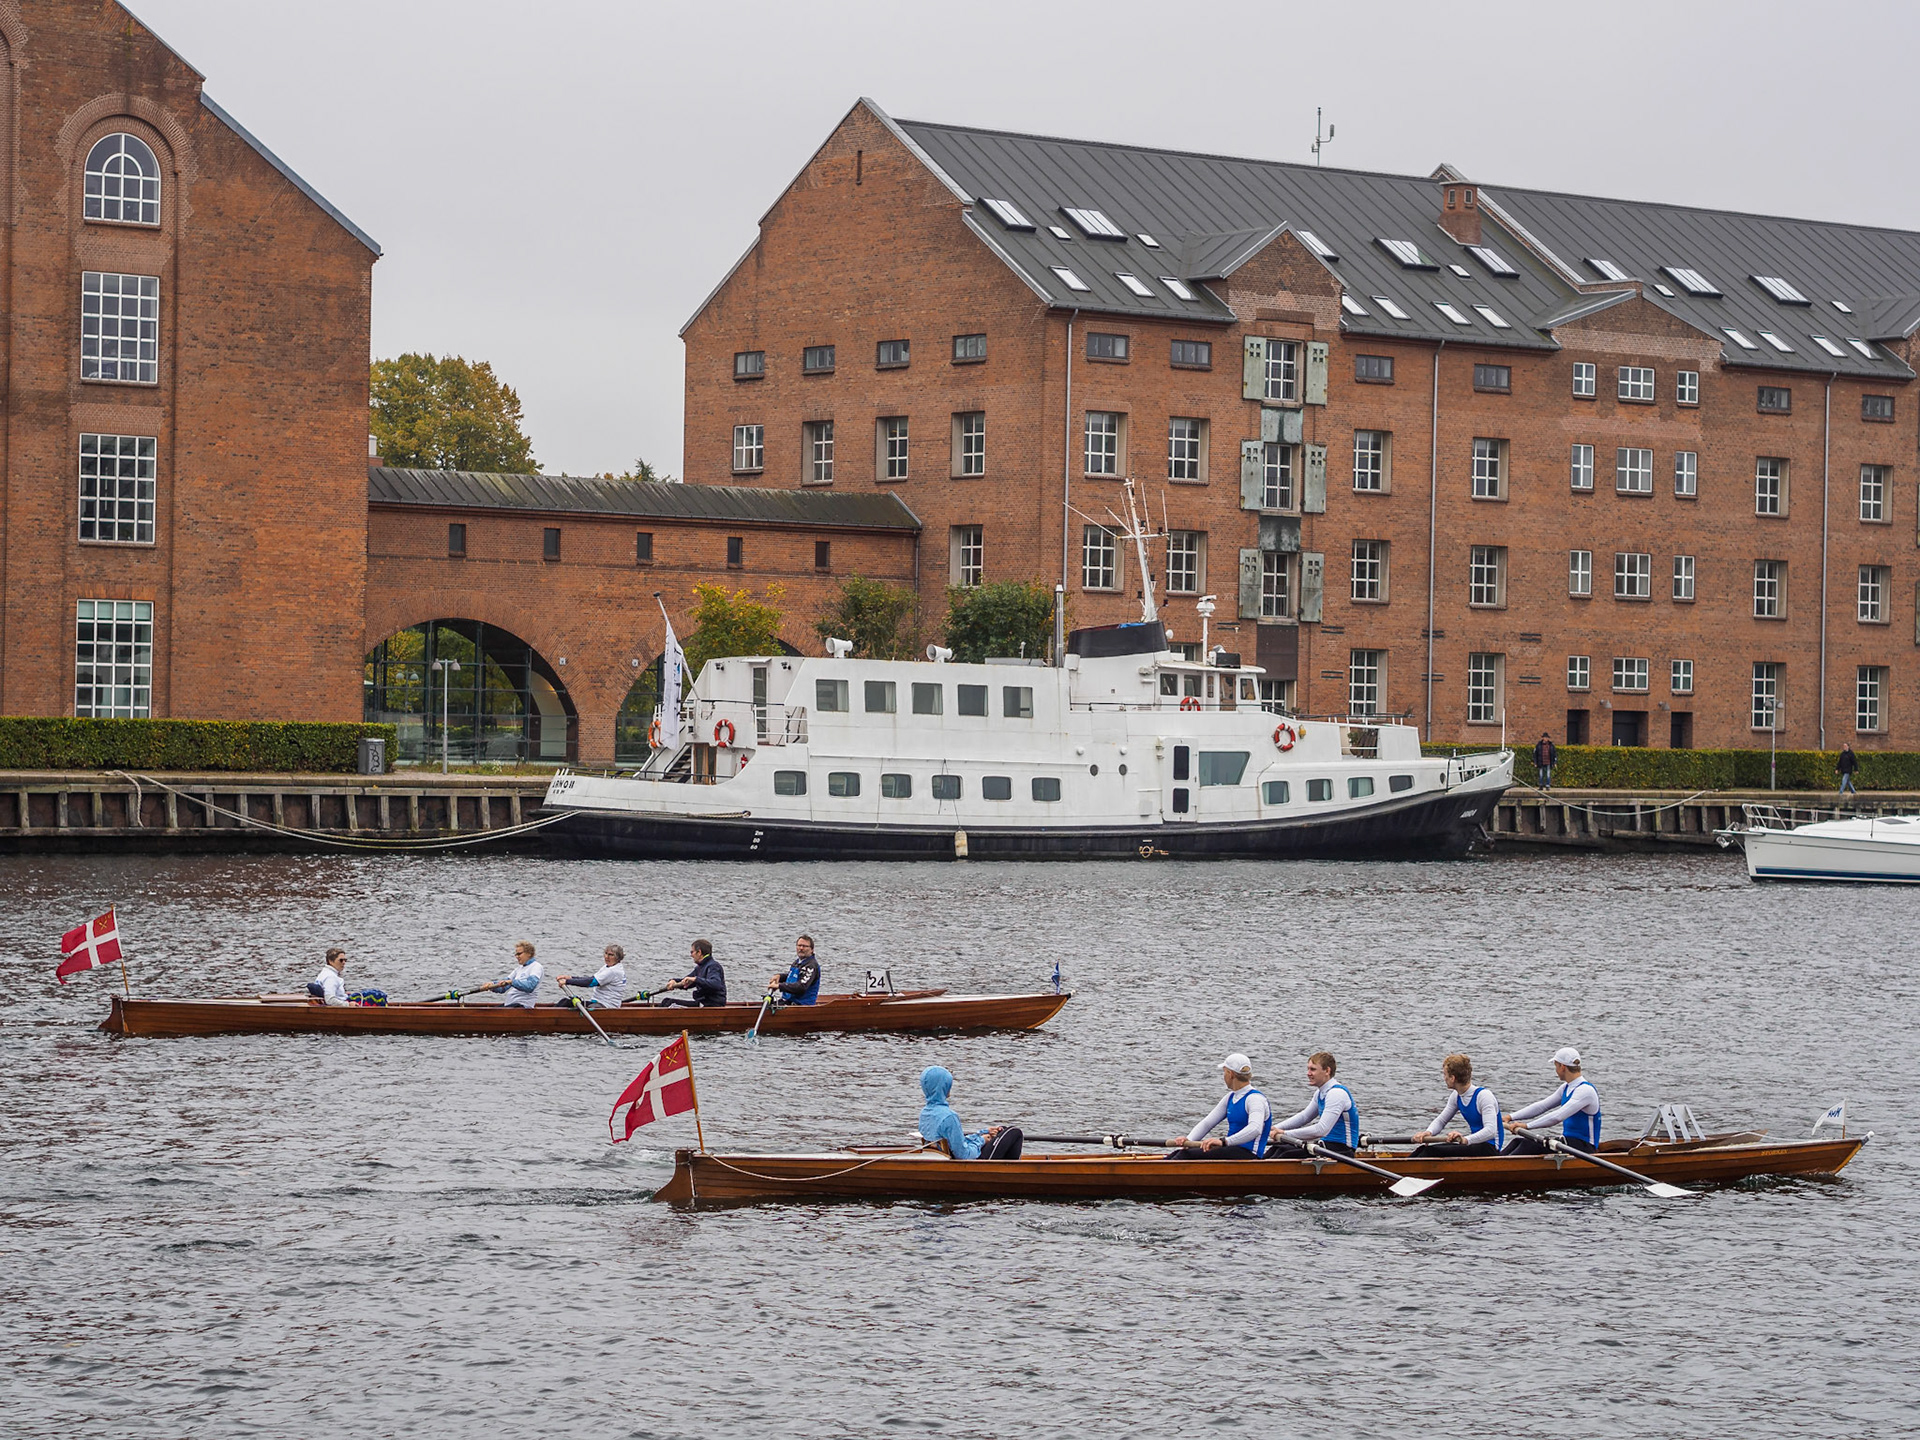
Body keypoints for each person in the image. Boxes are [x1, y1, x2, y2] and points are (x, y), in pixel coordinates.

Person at [1164, 1053, 1270, 1159]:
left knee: (1185, 1156)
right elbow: (1207, 1123)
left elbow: (1255, 1129)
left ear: (1230, 1074)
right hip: (1231, 1149)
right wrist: (1187, 1141)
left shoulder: (1255, 1099)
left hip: (1249, 1154)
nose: (1224, 1076)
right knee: (1179, 1153)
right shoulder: (1230, 1097)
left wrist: (1224, 1142)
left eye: (1224, 1072)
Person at [1504, 1047, 1601, 1154]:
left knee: (1527, 1145)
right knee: (1517, 1141)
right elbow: (1542, 1106)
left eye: (1556, 1066)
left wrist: (1527, 1126)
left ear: (1562, 1067)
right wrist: (1510, 1117)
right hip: (1569, 1143)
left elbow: (1557, 1116)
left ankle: (1498, 1168)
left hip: (1584, 1148)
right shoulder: (1566, 1087)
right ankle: (1491, 1165)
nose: (1556, 1070)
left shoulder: (1585, 1091)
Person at [917, 1065, 1022, 1160]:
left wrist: (982, 1133)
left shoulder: (925, 1113)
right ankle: (1011, 1174)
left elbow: (956, 1142)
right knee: (1014, 1132)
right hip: (973, 1163)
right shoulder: (949, 1116)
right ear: (944, 1086)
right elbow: (963, 1155)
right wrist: (981, 1141)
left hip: (946, 1157)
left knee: (1001, 1131)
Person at [1267, 1051, 1359, 1157]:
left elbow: (1321, 1130)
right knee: (1278, 1148)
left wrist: (1285, 1133)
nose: (1308, 1073)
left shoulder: (1336, 1094)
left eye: (1313, 1069)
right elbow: (1304, 1117)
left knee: (1285, 1154)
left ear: (1327, 1071)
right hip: (1327, 1146)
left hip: (1343, 1151)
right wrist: (1273, 1128)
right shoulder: (1320, 1093)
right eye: (1308, 1069)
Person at [1411, 1053, 1503, 1157]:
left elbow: (1490, 1131)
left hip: (1490, 1148)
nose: (1444, 1078)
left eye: (1445, 1074)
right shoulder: (1456, 1096)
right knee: (1422, 1149)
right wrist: (1428, 1132)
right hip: (1474, 1144)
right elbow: (1441, 1120)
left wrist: (1466, 1139)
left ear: (1452, 1078)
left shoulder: (1484, 1096)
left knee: (1431, 1152)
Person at [654, 939, 727, 1007]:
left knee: (670, 1004)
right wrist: (674, 981)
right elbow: (686, 980)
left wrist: (695, 979)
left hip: (712, 1005)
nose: (691, 955)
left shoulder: (713, 966)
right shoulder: (699, 968)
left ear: (699, 952)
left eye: (692, 952)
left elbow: (715, 984)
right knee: (666, 1001)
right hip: (702, 1003)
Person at [556, 944, 630, 1008]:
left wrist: (567, 981)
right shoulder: (609, 967)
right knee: (564, 1002)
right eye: (606, 953)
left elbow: (591, 982)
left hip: (606, 1006)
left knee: (571, 1004)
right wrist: (570, 978)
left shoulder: (613, 971)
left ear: (618, 957)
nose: (606, 957)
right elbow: (590, 978)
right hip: (598, 1003)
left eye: (610, 955)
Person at [477, 941, 542, 1008]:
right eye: (516, 954)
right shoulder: (519, 969)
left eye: (519, 954)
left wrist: (512, 982)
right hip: (511, 1005)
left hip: (523, 1006)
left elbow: (530, 986)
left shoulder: (536, 967)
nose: (517, 957)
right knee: (487, 1011)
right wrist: (491, 985)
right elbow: (503, 987)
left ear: (529, 953)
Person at [766, 935, 821, 1006]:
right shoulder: (797, 962)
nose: (801, 948)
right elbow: (793, 977)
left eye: (804, 946)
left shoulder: (811, 966)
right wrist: (779, 977)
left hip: (802, 1004)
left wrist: (779, 986)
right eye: (799, 945)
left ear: (812, 950)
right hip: (788, 1001)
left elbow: (801, 987)